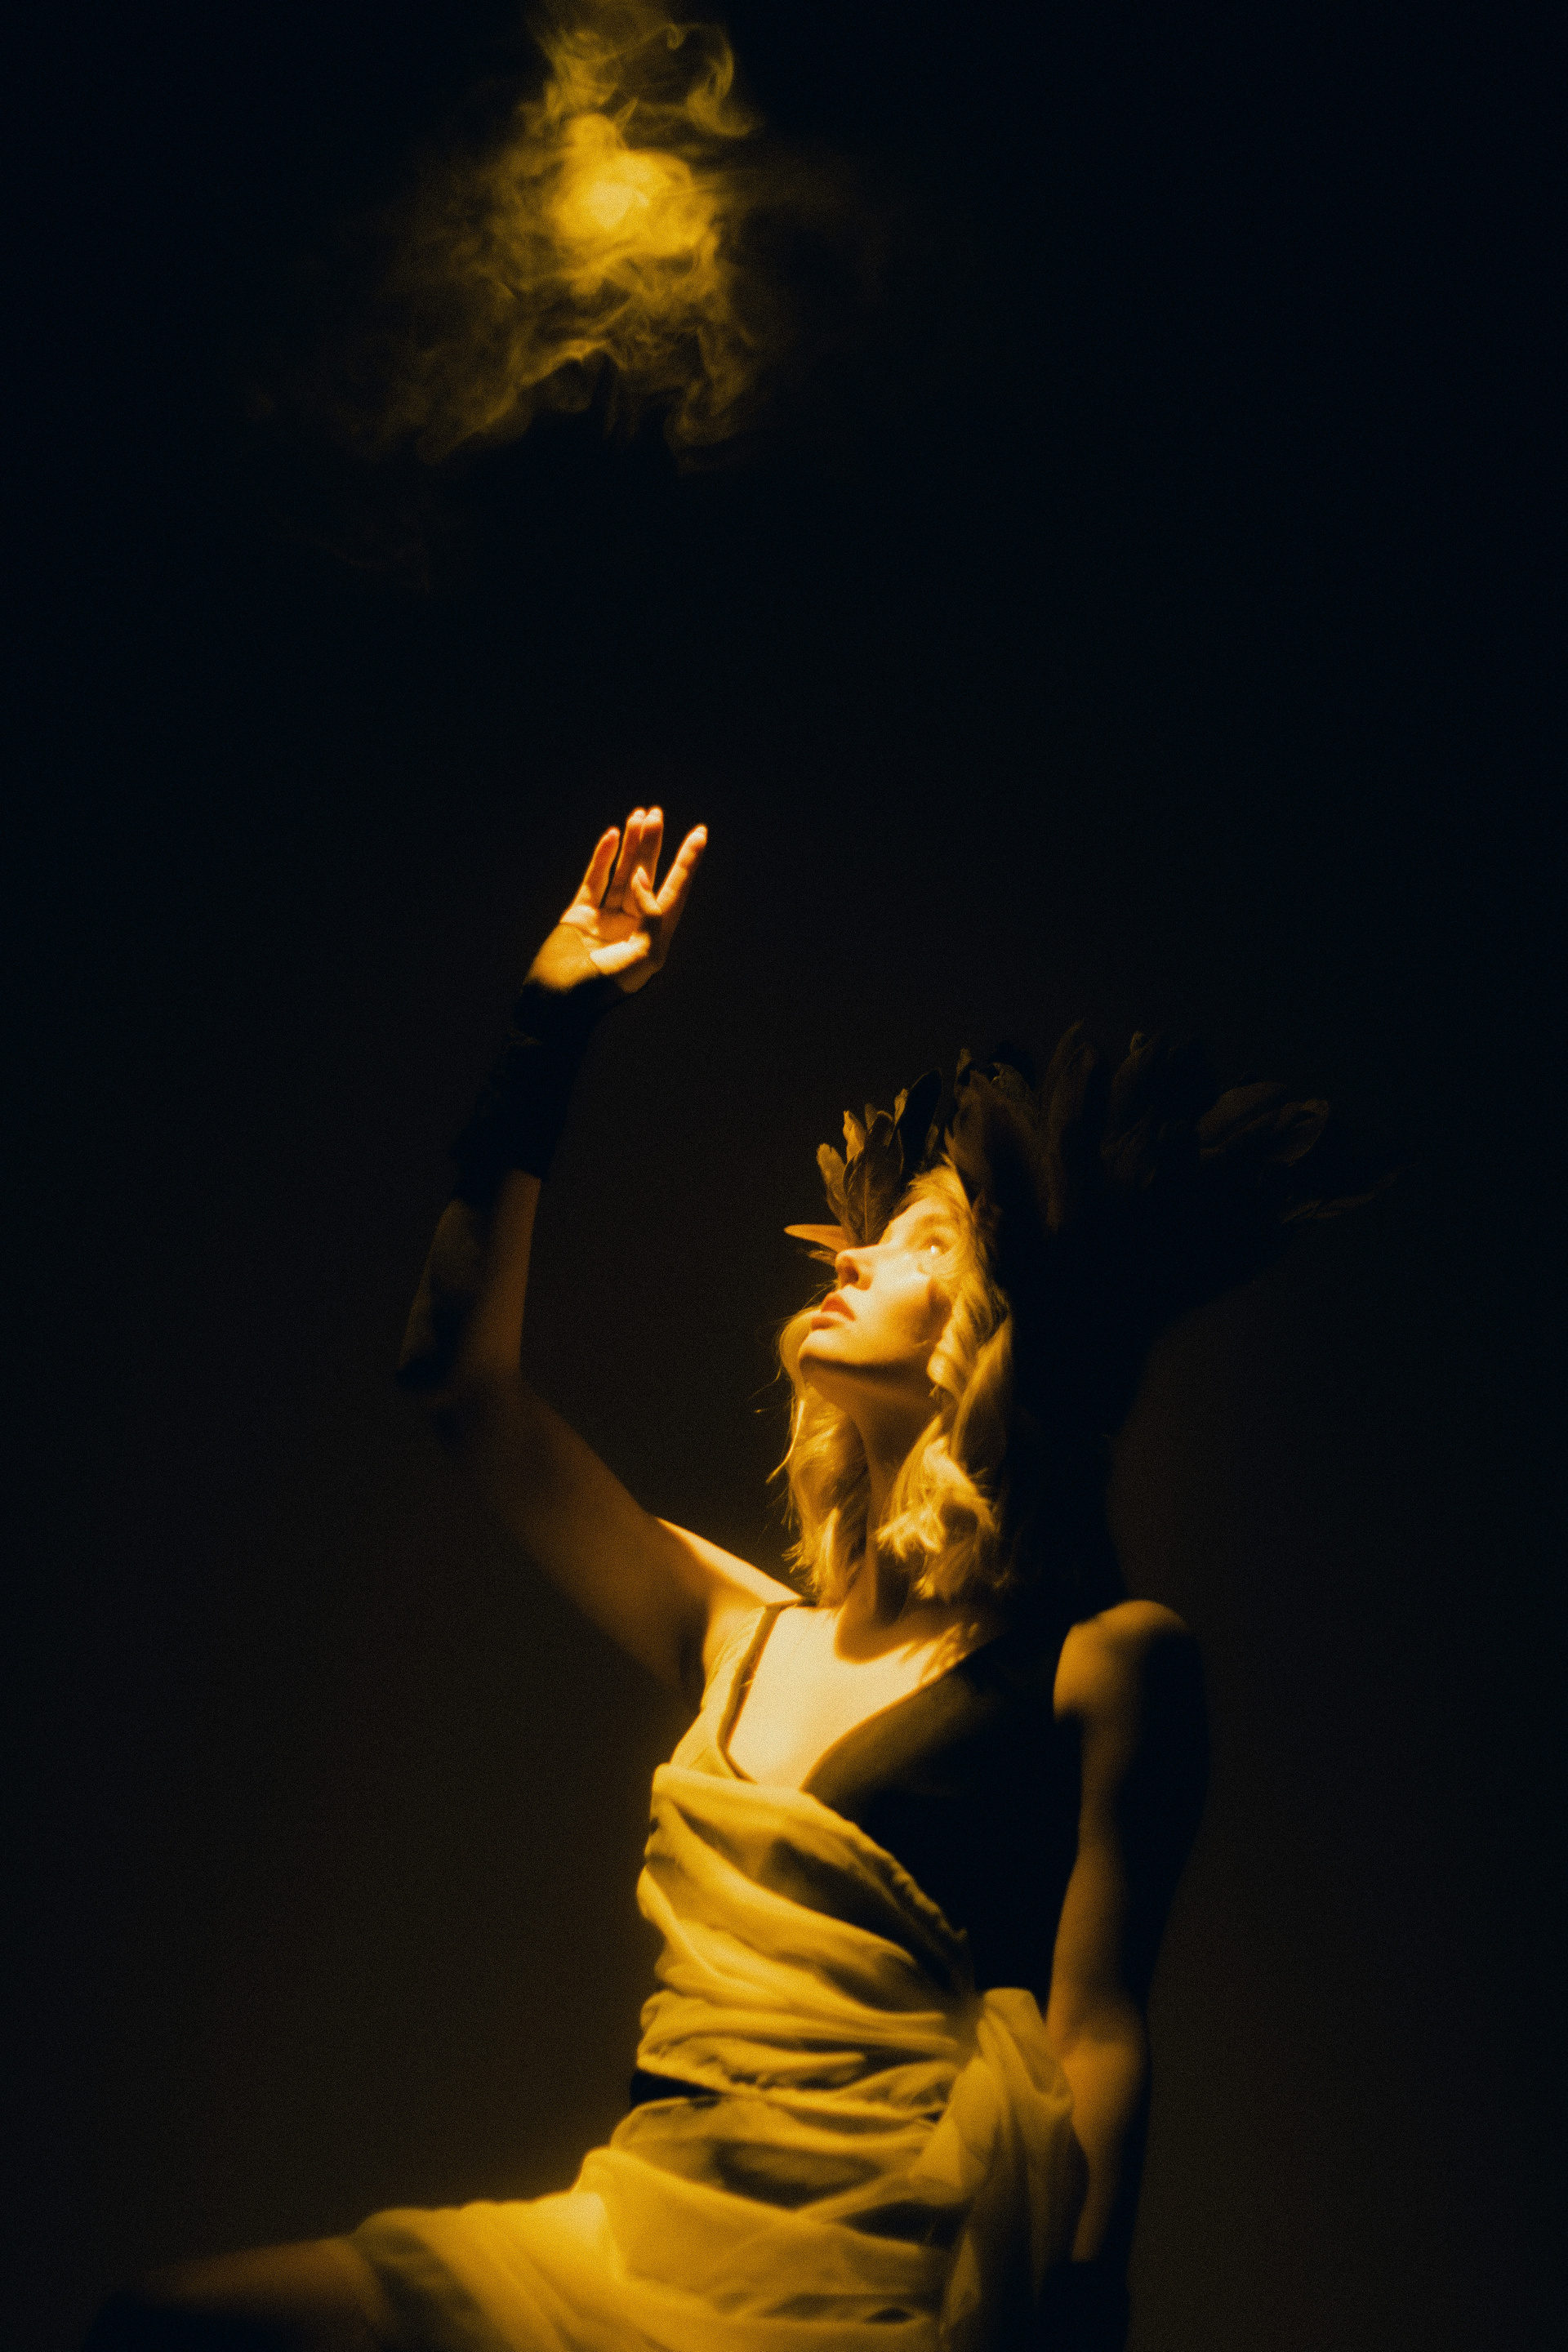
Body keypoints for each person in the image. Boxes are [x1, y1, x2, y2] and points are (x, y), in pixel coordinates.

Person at [90, 807, 1365, 2352]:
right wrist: (549, 1028)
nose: (851, 1258)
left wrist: (1080, 2315)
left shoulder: (1107, 1659)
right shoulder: (736, 1632)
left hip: (871, 2289)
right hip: (627, 2240)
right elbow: (459, 1387)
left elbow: (1098, 2036)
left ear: (1003, 1330)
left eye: (922, 1246)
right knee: (163, 2324)